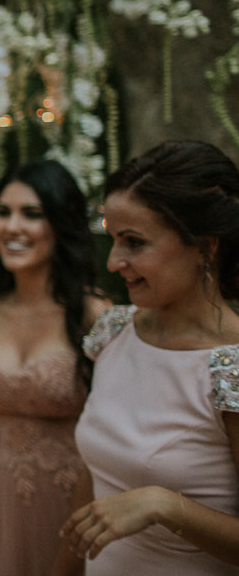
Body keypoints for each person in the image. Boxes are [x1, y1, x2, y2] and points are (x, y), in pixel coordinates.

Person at [61, 139, 239, 573]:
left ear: (206, 247)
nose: (114, 262)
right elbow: (93, 486)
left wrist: (163, 504)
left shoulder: (232, 368)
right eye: (113, 239)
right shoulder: (114, 332)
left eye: (134, 243)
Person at [0, 160, 108, 576]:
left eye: (32, 214)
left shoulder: (94, 315)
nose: (12, 227)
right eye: (3, 212)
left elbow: (112, 436)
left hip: (76, 511)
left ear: (60, 224)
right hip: (4, 505)